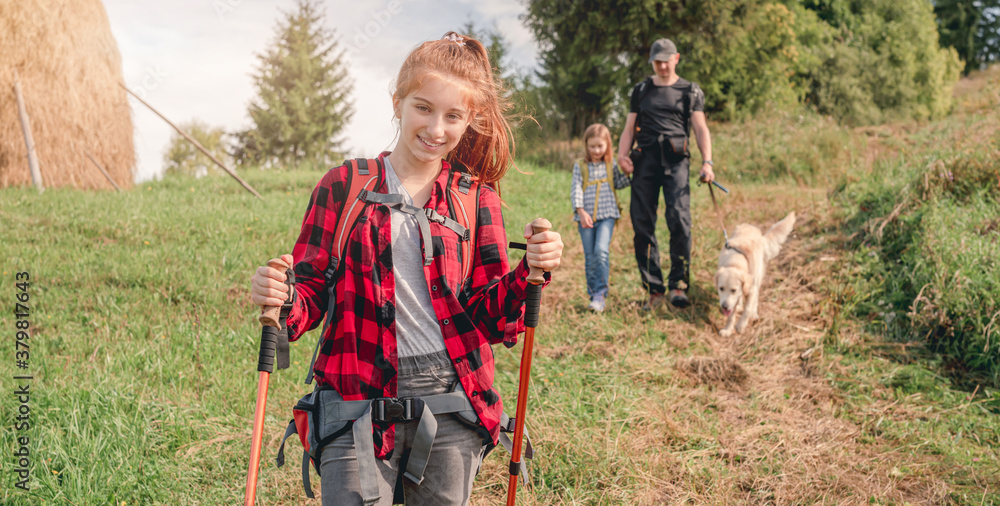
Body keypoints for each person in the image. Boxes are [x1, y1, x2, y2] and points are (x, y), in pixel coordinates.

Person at [249, 32, 563, 506]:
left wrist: (529, 274)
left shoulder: (475, 197)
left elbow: (490, 317)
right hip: (355, 394)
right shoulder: (344, 186)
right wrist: (282, 295)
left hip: (452, 399)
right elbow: (309, 295)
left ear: (469, 119)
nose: (436, 128)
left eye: (452, 116)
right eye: (423, 108)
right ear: (397, 102)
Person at [617, 37, 715, 310]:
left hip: (676, 162)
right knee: (642, 225)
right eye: (657, 62)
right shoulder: (641, 90)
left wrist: (708, 162)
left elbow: (700, 128)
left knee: (679, 221)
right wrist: (621, 155)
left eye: (666, 61)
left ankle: (678, 285)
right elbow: (629, 128)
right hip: (644, 161)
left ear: (676, 58)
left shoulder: (690, 91)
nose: (661, 66)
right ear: (652, 62)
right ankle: (654, 290)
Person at [570, 123, 631, 312]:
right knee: (590, 257)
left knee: (601, 251)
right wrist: (580, 211)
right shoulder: (580, 166)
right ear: (586, 145)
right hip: (586, 217)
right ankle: (594, 294)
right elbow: (576, 189)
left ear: (607, 145)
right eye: (592, 146)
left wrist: (629, 172)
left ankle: (601, 293)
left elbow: (620, 183)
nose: (596, 150)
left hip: (607, 215)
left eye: (600, 146)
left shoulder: (610, 165)